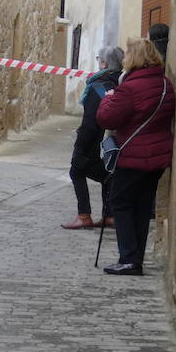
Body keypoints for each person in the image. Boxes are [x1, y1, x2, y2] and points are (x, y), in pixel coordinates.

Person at [96, 38, 176, 276]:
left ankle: (129, 259)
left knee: (120, 203)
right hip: (158, 155)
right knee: (141, 206)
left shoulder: (129, 88)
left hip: (133, 155)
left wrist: (109, 98)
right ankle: (135, 258)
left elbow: (107, 119)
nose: (125, 57)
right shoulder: (165, 84)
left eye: (128, 53)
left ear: (135, 57)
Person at [61, 45, 123, 229]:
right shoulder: (118, 83)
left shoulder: (98, 86)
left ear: (104, 63)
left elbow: (89, 122)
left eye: (99, 60)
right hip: (108, 138)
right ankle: (110, 214)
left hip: (92, 139)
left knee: (76, 170)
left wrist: (79, 148)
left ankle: (84, 215)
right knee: (105, 176)